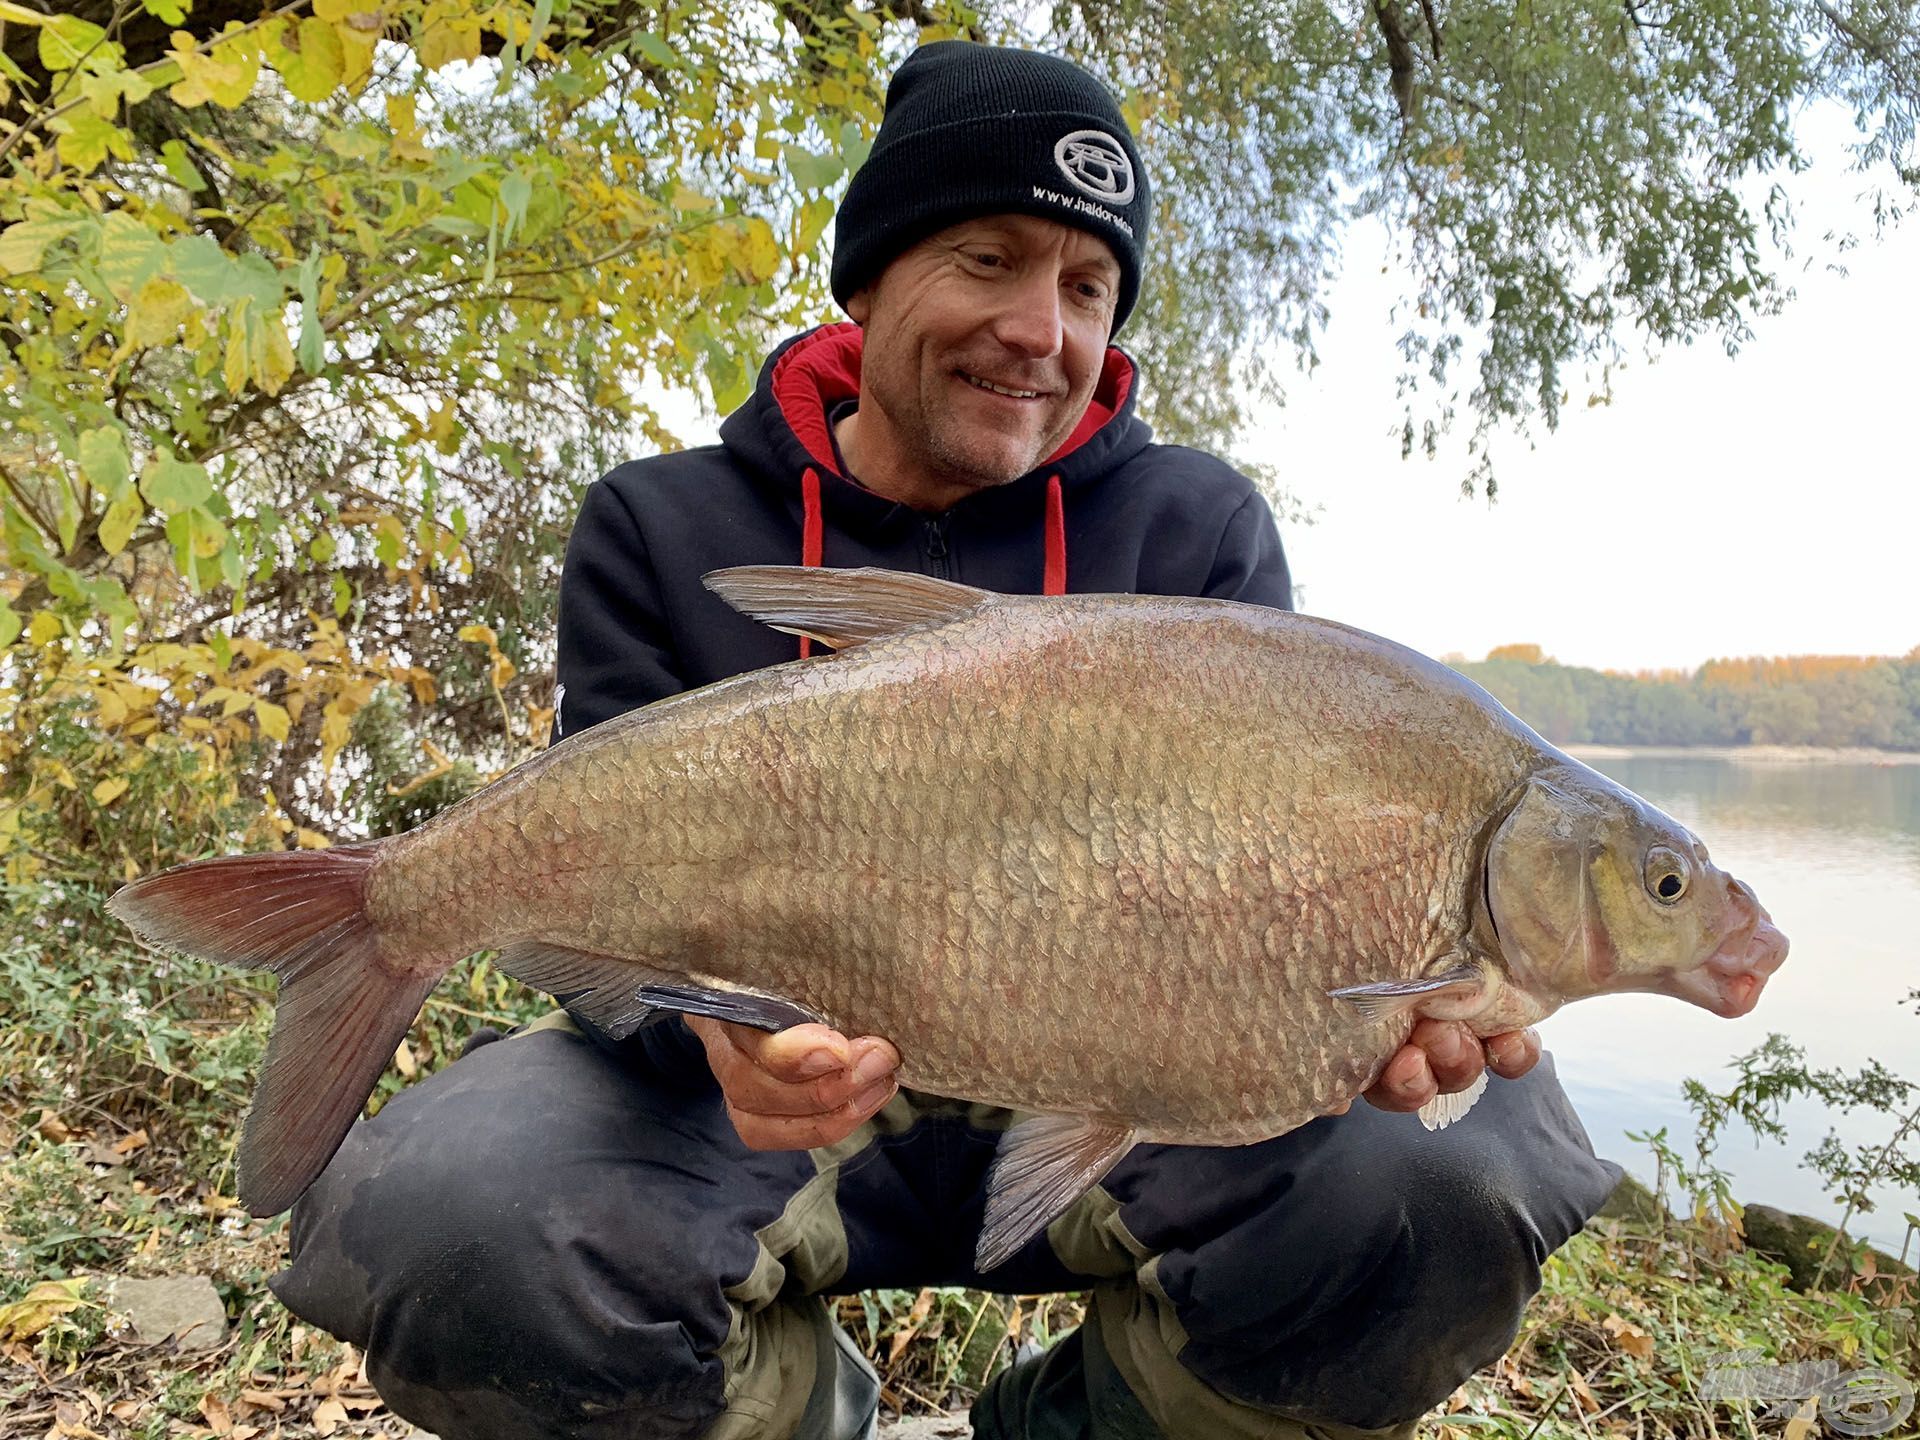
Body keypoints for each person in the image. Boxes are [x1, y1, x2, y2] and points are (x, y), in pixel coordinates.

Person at [271, 40, 1620, 1440]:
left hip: (1128, 1089)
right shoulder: (661, 530)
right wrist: (717, 1037)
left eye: (1086, 286)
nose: (1041, 328)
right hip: (760, 1120)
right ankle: (791, 1417)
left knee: (1460, 1172)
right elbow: (605, 927)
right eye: (989, 259)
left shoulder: (1194, 534)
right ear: (869, 280)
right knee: (455, 1218)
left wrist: (1368, 1021)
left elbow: (1280, 916)